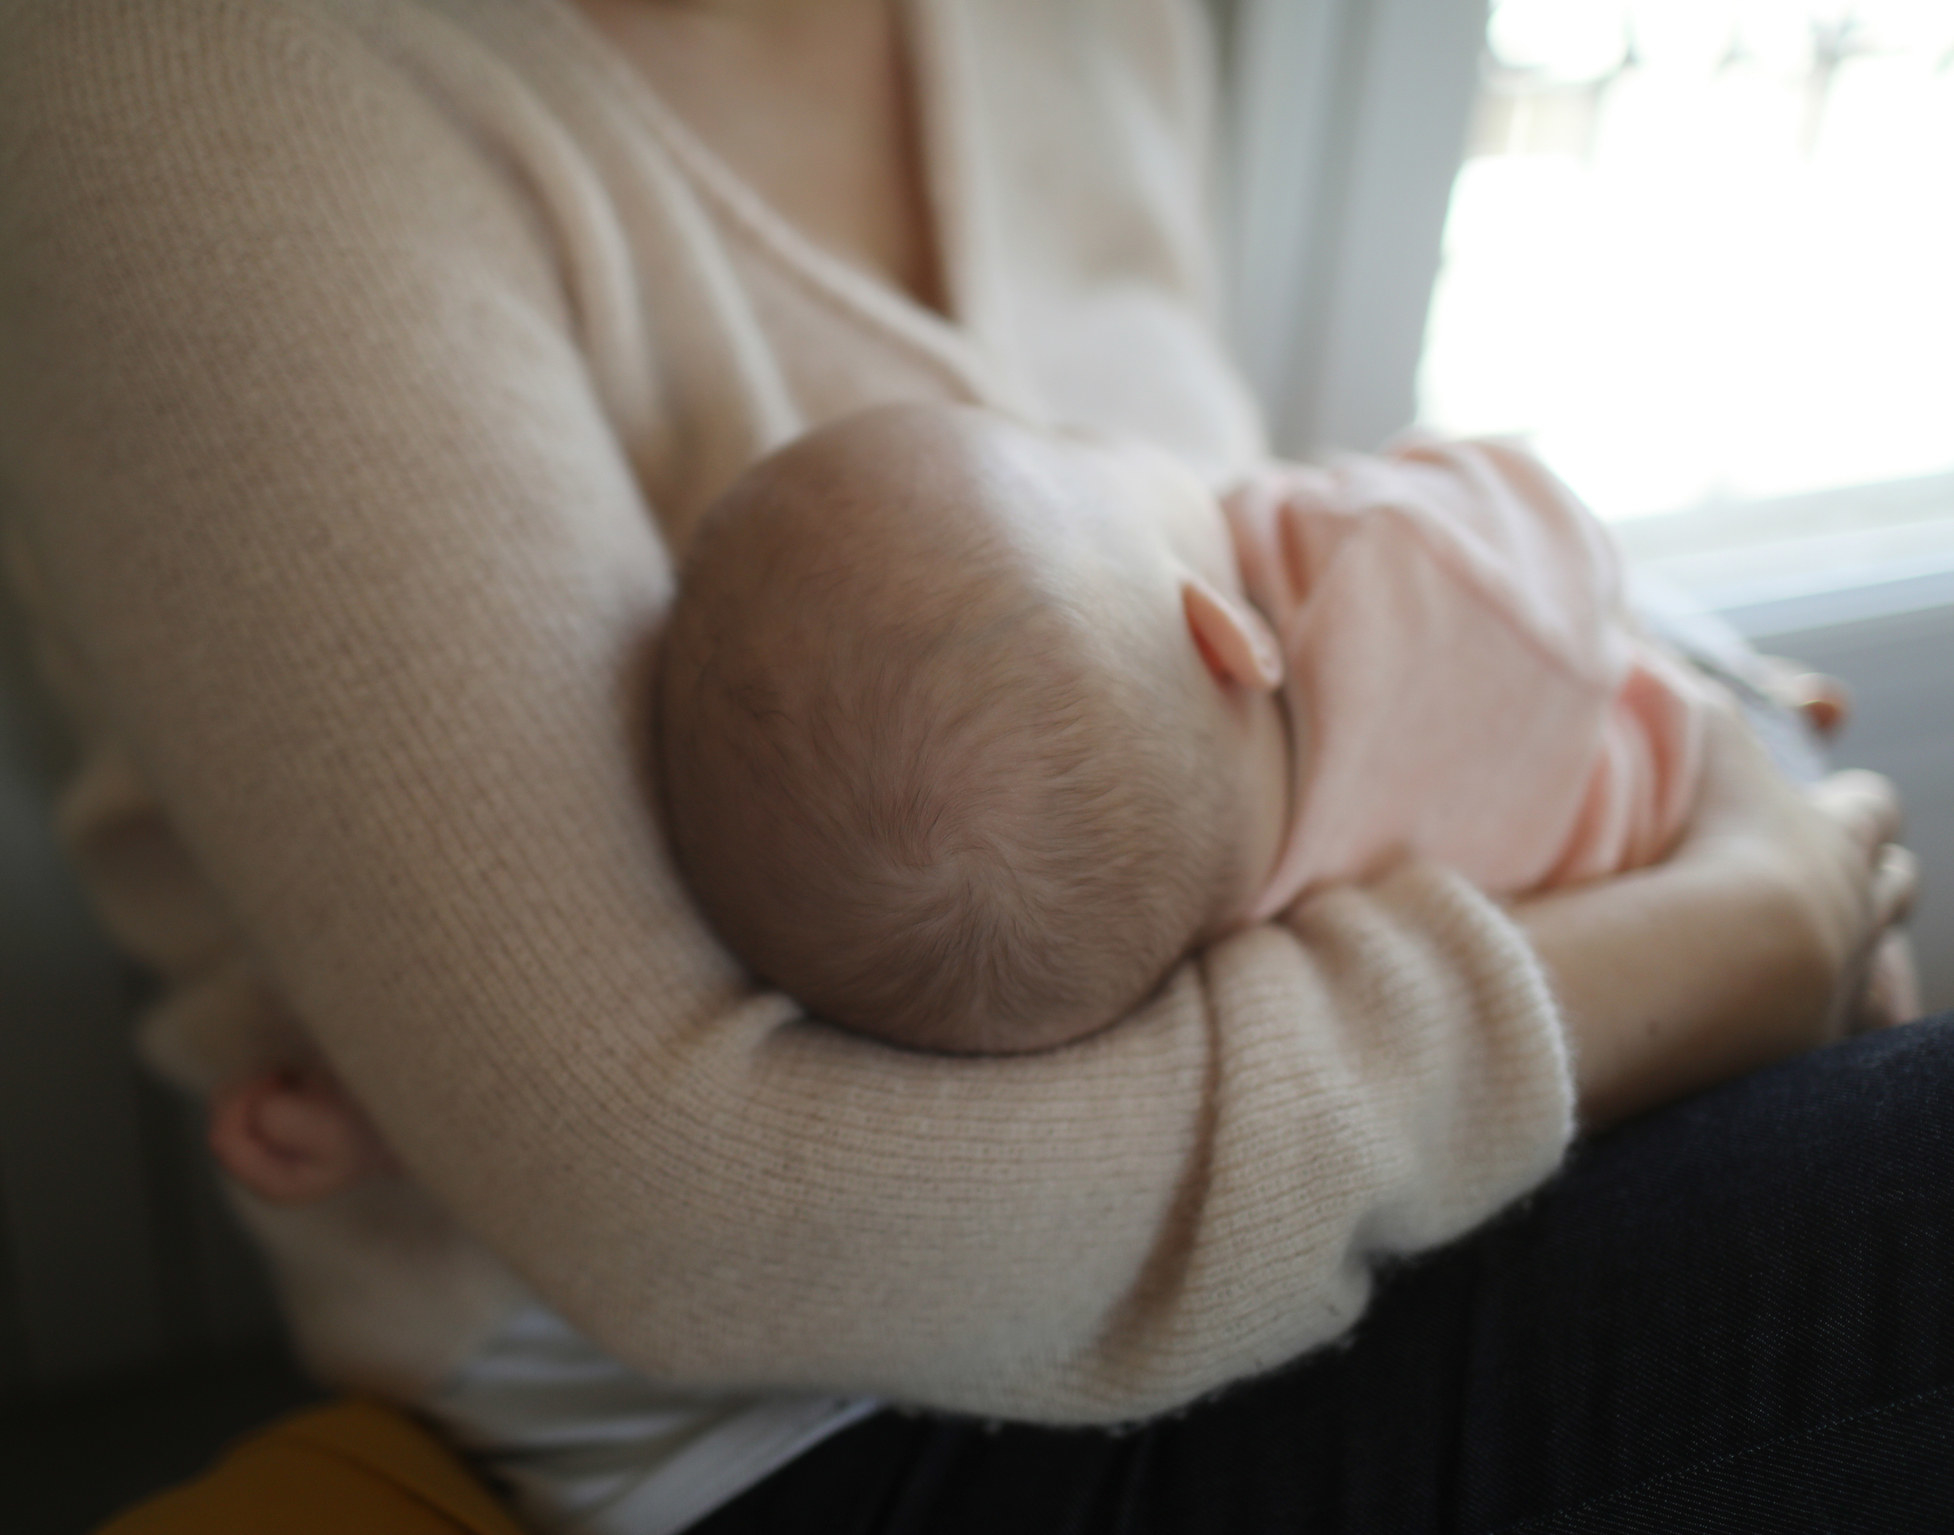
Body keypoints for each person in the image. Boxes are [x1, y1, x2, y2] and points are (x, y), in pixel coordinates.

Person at [0, 0, 1937, 1529]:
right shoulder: (185, 89)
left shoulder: (1072, 22)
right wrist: (1732, 931)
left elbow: (1239, 714)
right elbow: (705, 1211)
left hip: (1223, 1244)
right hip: (791, 1429)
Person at [655, 405, 1711, 1053]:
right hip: (1691, 780)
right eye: (1071, 448)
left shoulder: (1258, 957)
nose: (1093, 428)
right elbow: (1548, 523)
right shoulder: (1393, 565)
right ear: (1224, 635)